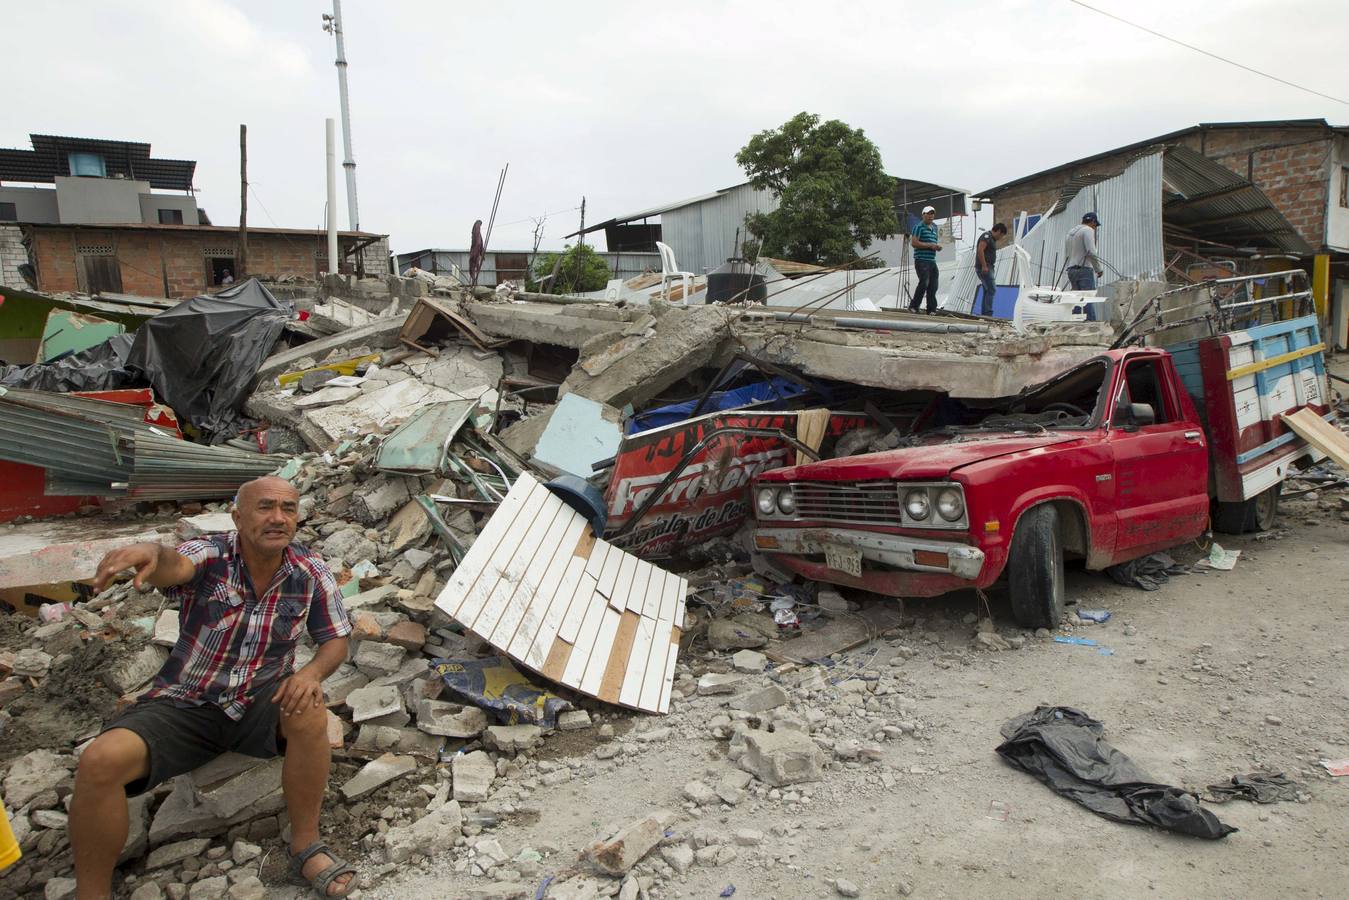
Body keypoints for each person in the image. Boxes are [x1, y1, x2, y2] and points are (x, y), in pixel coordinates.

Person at [70, 477, 356, 900]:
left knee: (310, 709)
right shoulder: (213, 554)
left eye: (288, 509)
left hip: (260, 699)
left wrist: (310, 674)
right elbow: (174, 565)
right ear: (238, 516)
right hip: (185, 703)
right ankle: (90, 893)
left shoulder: (309, 571)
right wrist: (151, 553)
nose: (277, 518)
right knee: (99, 761)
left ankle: (305, 843)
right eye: (264, 507)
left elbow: (335, 639)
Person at [909, 205, 943, 314]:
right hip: (922, 260)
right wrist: (930, 245)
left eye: (932, 214)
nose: (930, 216)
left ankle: (931, 309)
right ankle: (914, 306)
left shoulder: (934, 228)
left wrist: (936, 247)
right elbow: (914, 243)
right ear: (923, 215)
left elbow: (932, 244)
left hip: (931, 261)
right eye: (928, 214)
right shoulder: (919, 227)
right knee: (924, 283)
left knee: (933, 285)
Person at [974, 223, 1007, 316]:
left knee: (987, 289)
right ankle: (988, 312)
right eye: (1001, 236)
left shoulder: (991, 239)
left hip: (989, 267)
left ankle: (985, 313)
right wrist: (984, 266)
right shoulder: (987, 236)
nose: (1001, 238)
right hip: (985, 267)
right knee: (992, 289)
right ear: (999, 232)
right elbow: (980, 250)